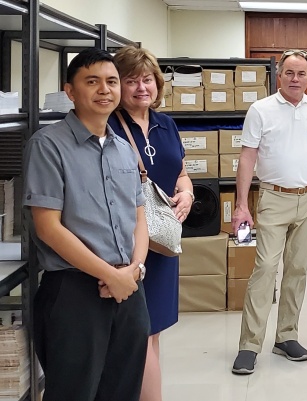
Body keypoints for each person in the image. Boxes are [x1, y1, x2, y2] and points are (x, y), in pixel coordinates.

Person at [23, 48, 150, 401]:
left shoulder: (124, 148)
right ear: (70, 91)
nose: (104, 90)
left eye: (111, 81)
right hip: (74, 292)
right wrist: (111, 276)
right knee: (74, 392)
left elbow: (139, 215)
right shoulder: (48, 146)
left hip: (129, 289)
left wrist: (133, 271)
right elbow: (48, 227)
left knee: (123, 389)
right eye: (91, 82)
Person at [231, 49, 307, 375]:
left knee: (297, 270)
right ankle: (249, 345)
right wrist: (241, 205)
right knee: (264, 269)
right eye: (289, 72)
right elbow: (247, 158)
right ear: (279, 75)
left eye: (301, 73)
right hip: (274, 198)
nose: (295, 79)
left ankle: (286, 336)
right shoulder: (260, 110)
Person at [107, 45, 193, 401]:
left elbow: (181, 171)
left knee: (153, 331)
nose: (141, 88)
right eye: (131, 81)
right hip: (127, 243)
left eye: (147, 80)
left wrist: (187, 192)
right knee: (138, 334)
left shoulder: (166, 123)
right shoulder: (108, 125)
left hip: (164, 238)